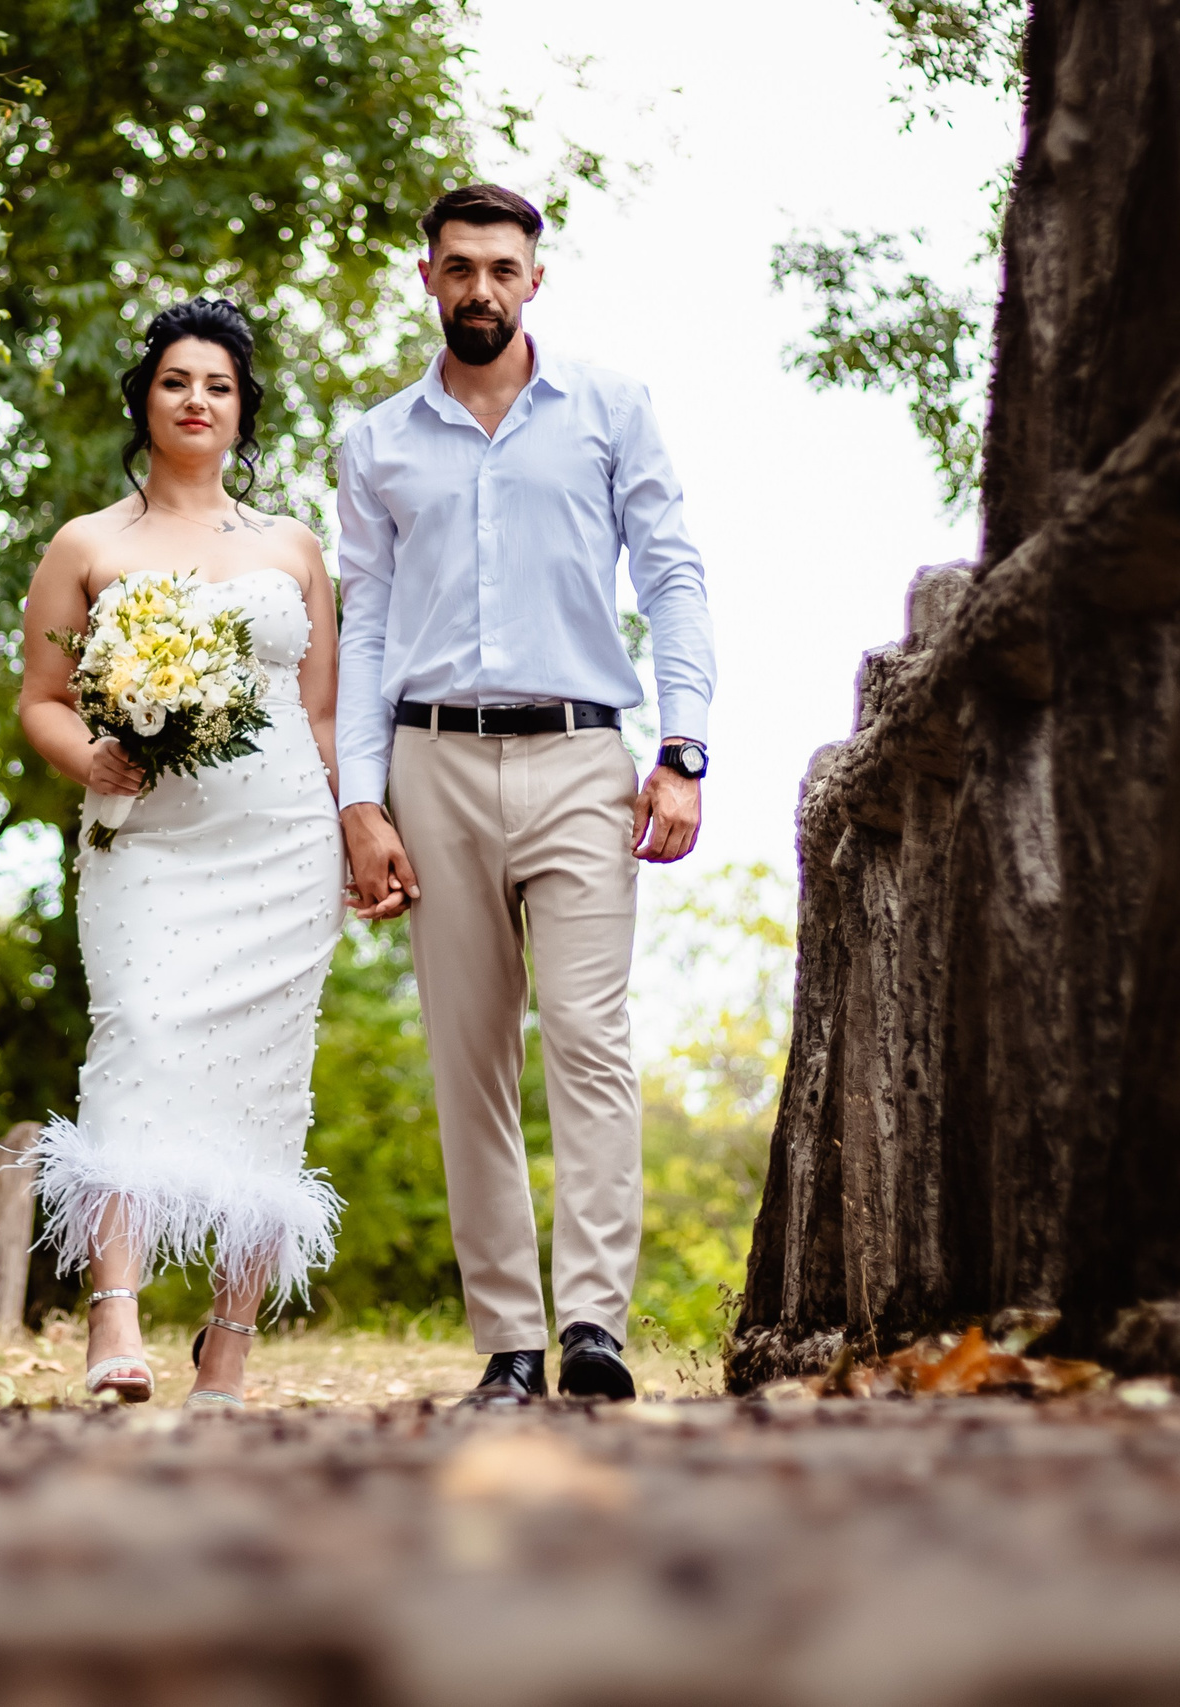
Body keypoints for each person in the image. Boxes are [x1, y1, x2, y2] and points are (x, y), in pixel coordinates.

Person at [334, 184, 715, 1404]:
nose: (481, 289)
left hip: (580, 760)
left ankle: (594, 1325)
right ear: (428, 278)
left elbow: (671, 572)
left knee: (593, 1044)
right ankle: (509, 1341)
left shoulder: (609, 410)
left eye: (502, 269)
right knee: (468, 1058)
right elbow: (368, 624)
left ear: (534, 280)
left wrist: (685, 746)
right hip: (429, 763)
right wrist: (361, 800)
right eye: (459, 268)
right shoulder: (378, 441)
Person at [17, 298, 346, 1410]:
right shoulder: (89, 545)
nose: (195, 400)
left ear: (244, 407)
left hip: (280, 842)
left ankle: (230, 1341)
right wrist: (92, 759)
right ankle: (113, 1314)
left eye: (216, 384)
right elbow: (40, 702)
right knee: (136, 1043)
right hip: (147, 840)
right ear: (143, 402)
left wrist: (357, 831)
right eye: (174, 383)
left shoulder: (293, 548)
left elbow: (322, 715)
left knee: (267, 1085)